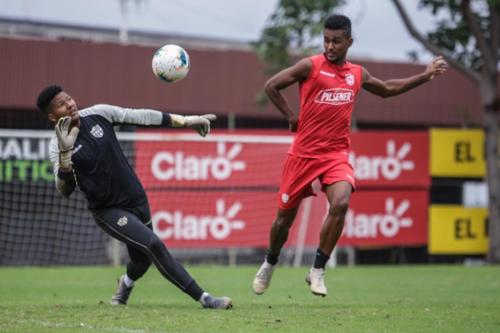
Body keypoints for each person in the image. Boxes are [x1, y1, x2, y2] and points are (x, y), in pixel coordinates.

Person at [252, 14, 447, 297]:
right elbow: (272, 85)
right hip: (303, 155)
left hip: (335, 155)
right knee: (283, 221)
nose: (330, 46)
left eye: (336, 41)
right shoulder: (311, 66)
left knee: (341, 202)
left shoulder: (356, 73)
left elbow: (388, 89)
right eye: (326, 41)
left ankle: (317, 270)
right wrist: (291, 116)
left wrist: (425, 75)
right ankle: (270, 262)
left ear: (349, 42)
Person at [37, 85, 232, 309]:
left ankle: (126, 283)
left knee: (142, 260)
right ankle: (206, 299)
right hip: (108, 210)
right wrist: (64, 159)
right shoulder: (56, 147)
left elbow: (141, 116)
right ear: (53, 116)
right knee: (153, 243)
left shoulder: (99, 113)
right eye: (62, 104)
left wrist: (186, 121)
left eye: (69, 98)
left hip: (137, 198)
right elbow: (64, 190)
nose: (70, 104)